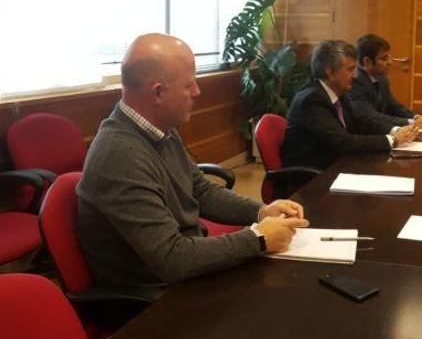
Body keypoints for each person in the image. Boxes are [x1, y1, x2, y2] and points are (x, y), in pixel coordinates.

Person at [77, 33, 310, 297]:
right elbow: (172, 258)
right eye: (189, 85)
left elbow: (200, 190)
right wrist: (257, 238)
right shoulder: (119, 156)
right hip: (157, 298)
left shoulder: (160, 129)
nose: (197, 92)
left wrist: (262, 213)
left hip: (187, 269)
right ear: (158, 92)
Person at [282, 40, 417, 170]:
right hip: (311, 179)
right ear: (330, 72)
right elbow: (342, 142)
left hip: (337, 166)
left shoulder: (338, 93)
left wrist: (396, 131)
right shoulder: (311, 100)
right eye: (350, 69)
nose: (355, 75)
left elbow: (361, 123)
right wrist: (392, 140)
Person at [347, 34, 422, 130]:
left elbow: (393, 105)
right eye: (384, 59)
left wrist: (416, 117)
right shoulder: (354, 81)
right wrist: (412, 122)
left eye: (389, 57)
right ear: (367, 61)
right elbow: (369, 117)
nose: (390, 62)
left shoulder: (381, 79)